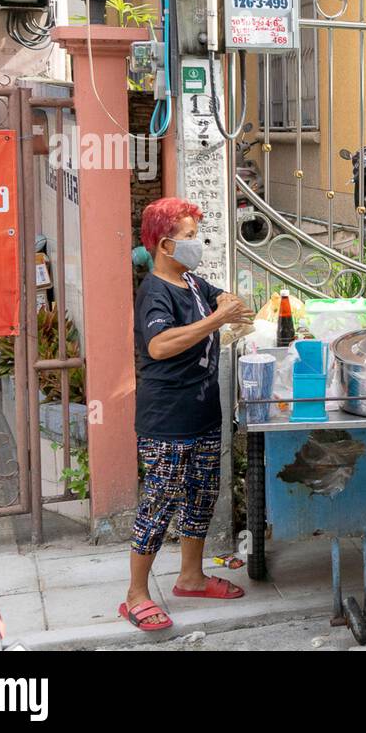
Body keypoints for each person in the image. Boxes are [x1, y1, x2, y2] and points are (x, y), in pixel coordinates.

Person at [121, 197, 255, 631]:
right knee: (159, 504)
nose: (199, 245)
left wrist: (232, 306)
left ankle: (191, 577)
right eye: (191, 237)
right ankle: (135, 595)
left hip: (202, 415)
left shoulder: (192, 283)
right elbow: (159, 346)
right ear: (165, 245)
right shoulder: (155, 292)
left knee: (200, 497)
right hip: (167, 421)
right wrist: (218, 321)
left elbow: (224, 301)